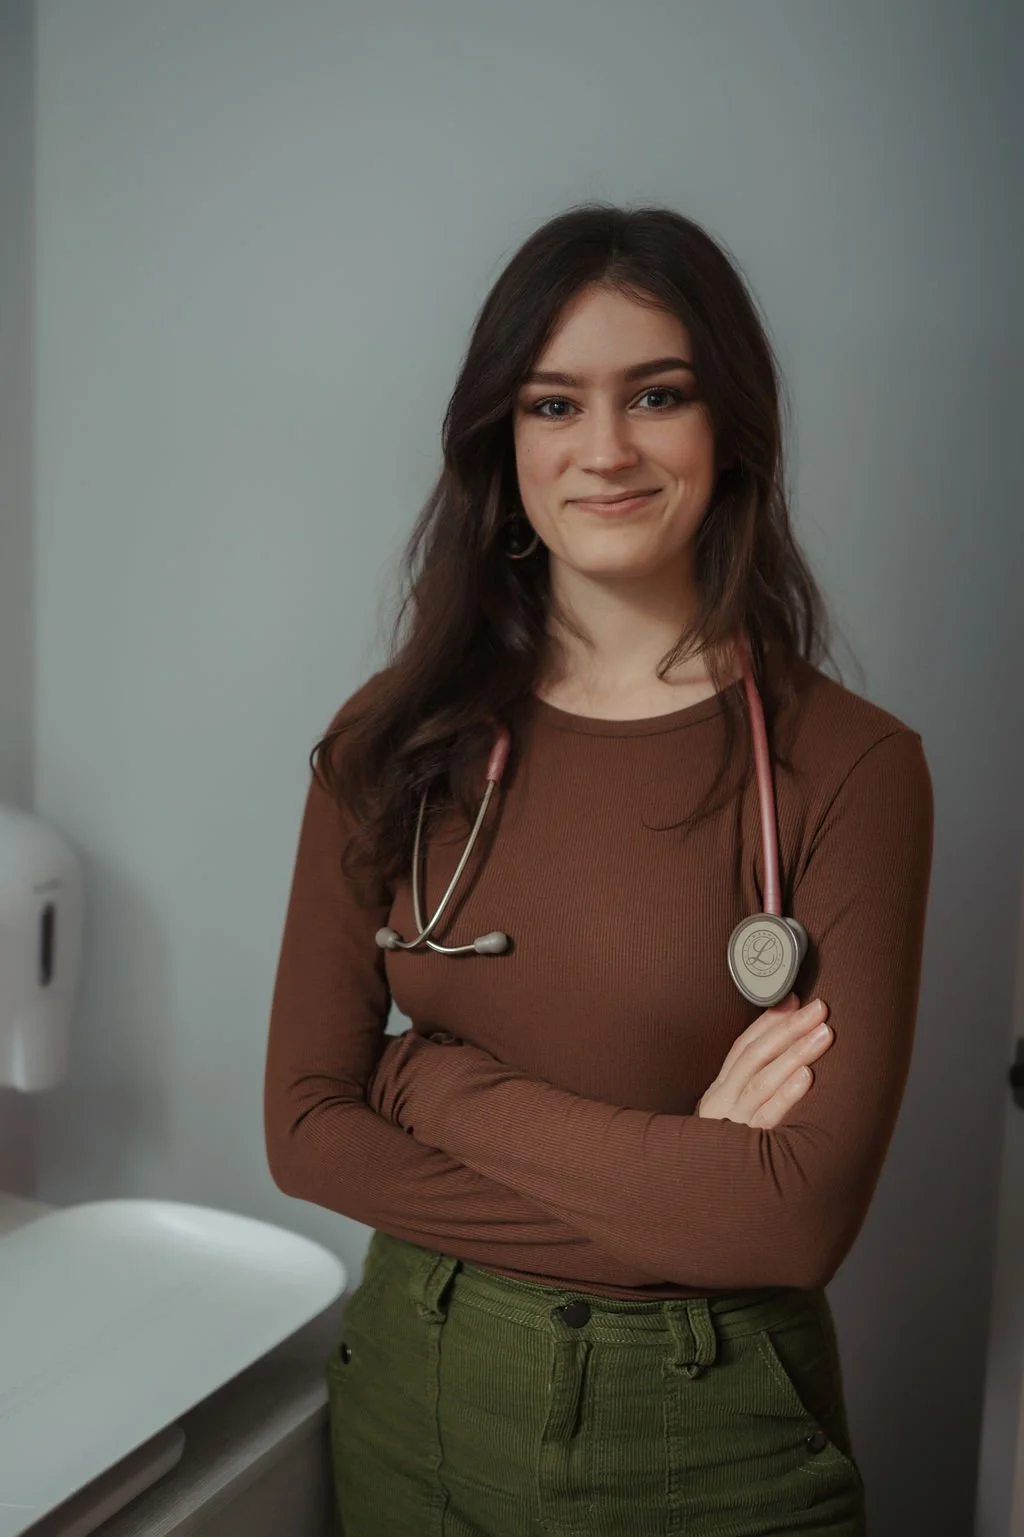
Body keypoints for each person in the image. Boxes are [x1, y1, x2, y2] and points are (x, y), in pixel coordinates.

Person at [263, 203, 934, 1536]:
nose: (607, 449)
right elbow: (301, 1130)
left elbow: (793, 1230)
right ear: (501, 445)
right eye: (554, 404)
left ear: (726, 425)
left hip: (713, 1429)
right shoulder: (386, 742)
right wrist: (693, 1190)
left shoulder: (852, 771)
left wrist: (432, 1084)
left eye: (658, 395)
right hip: (418, 1396)